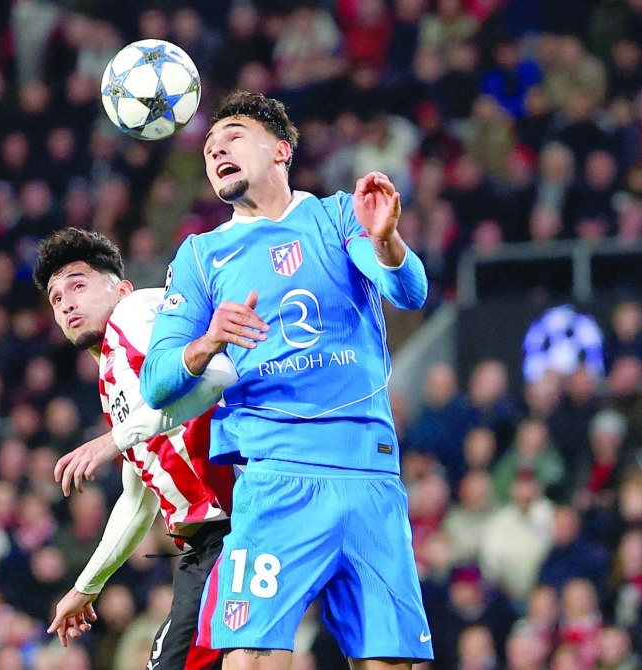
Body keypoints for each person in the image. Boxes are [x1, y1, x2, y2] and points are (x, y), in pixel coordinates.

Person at [140, 91, 432, 669]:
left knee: (392, 663)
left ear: (281, 150)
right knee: (250, 658)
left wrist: (386, 241)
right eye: (209, 147)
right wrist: (207, 342)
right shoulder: (201, 256)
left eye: (233, 136)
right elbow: (156, 381)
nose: (216, 150)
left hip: (370, 476)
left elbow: (409, 292)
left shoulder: (338, 216)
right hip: (277, 478)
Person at [33, 228, 238, 670]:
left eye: (79, 286)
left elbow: (216, 376)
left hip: (236, 521)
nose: (66, 303)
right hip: (209, 542)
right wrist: (86, 586)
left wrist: (113, 440)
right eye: (56, 298)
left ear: (121, 289)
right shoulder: (113, 380)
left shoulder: (137, 311)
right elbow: (138, 500)